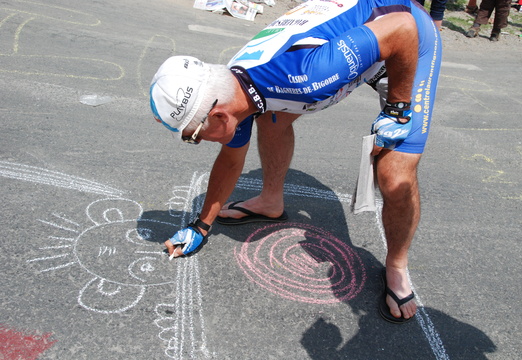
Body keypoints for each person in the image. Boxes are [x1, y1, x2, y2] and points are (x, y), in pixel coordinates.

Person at [150, 0, 442, 323]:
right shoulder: (231, 89)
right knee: (270, 117)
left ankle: (397, 264)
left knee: (392, 175)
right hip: (357, 47)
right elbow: (231, 159)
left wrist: (399, 109)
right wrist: (200, 227)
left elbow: (402, 29)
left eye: (193, 136)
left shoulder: (306, 76)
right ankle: (270, 201)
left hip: (406, 42)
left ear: (218, 116)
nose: (196, 143)